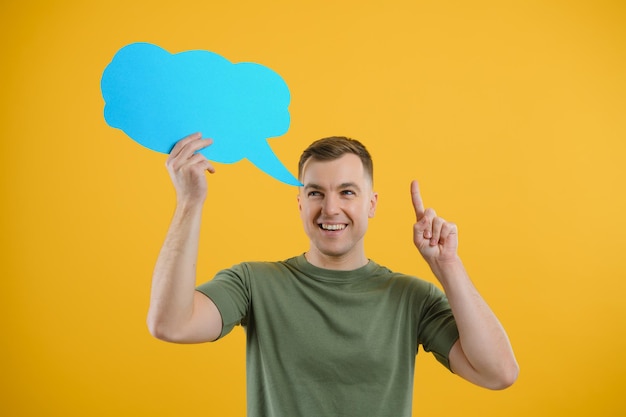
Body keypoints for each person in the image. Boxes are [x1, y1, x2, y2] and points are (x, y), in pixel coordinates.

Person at [147, 132, 519, 417]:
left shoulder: (411, 297)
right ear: (299, 202)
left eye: (347, 192)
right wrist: (189, 203)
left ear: (371, 204)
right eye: (315, 193)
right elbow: (171, 325)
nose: (330, 208)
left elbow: (498, 373)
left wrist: (448, 267)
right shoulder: (253, 284)